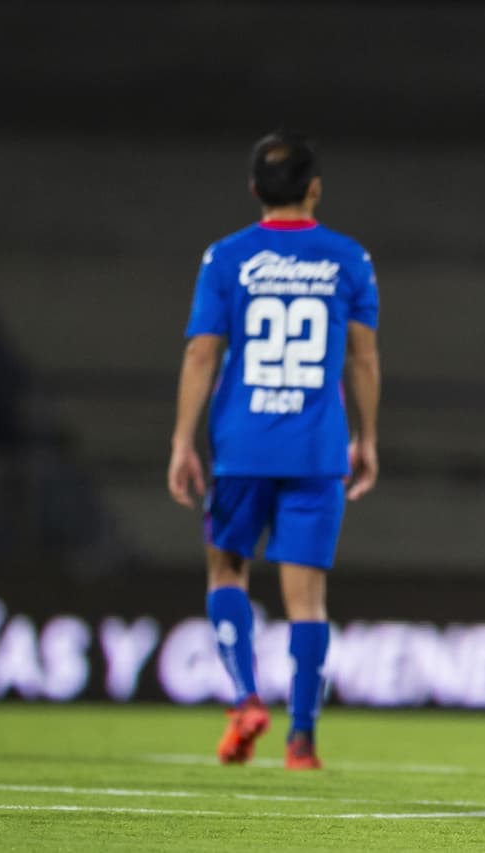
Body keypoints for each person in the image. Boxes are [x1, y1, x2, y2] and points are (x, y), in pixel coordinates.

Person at [168, 130, 380, 770]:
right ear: (315, 188)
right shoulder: (349, 259)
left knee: (226, 571)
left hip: (243, 445)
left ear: (255, 189)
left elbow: (203, 352)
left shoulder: (225, 257)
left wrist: (183, 440)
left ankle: (243, 699)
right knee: (307, 599)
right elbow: (363, 359)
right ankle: (302, 740)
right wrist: (366, 437)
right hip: (318, 448)